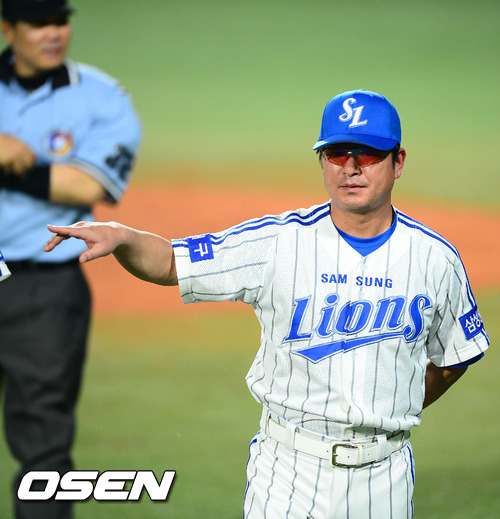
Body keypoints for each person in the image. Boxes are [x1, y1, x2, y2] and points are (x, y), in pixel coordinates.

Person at [44, 89, 489, 519]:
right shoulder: (277, 242)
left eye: (368, 154)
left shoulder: (434, 259)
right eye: (337, 154)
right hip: (289, 471)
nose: (351, 168)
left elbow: (454, 358)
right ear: (322, 161)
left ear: (398, 161)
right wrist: (123, 236)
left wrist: (393, 405)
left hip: (383, 477)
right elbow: (170, 262)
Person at [0, 0, 142, 517]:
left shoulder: (102, 96)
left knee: (44, 449)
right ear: (8, 28)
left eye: (60, 21)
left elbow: (87, 185)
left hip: (43, 289)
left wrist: (15, 162)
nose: (53, 32)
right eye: (38, 23)